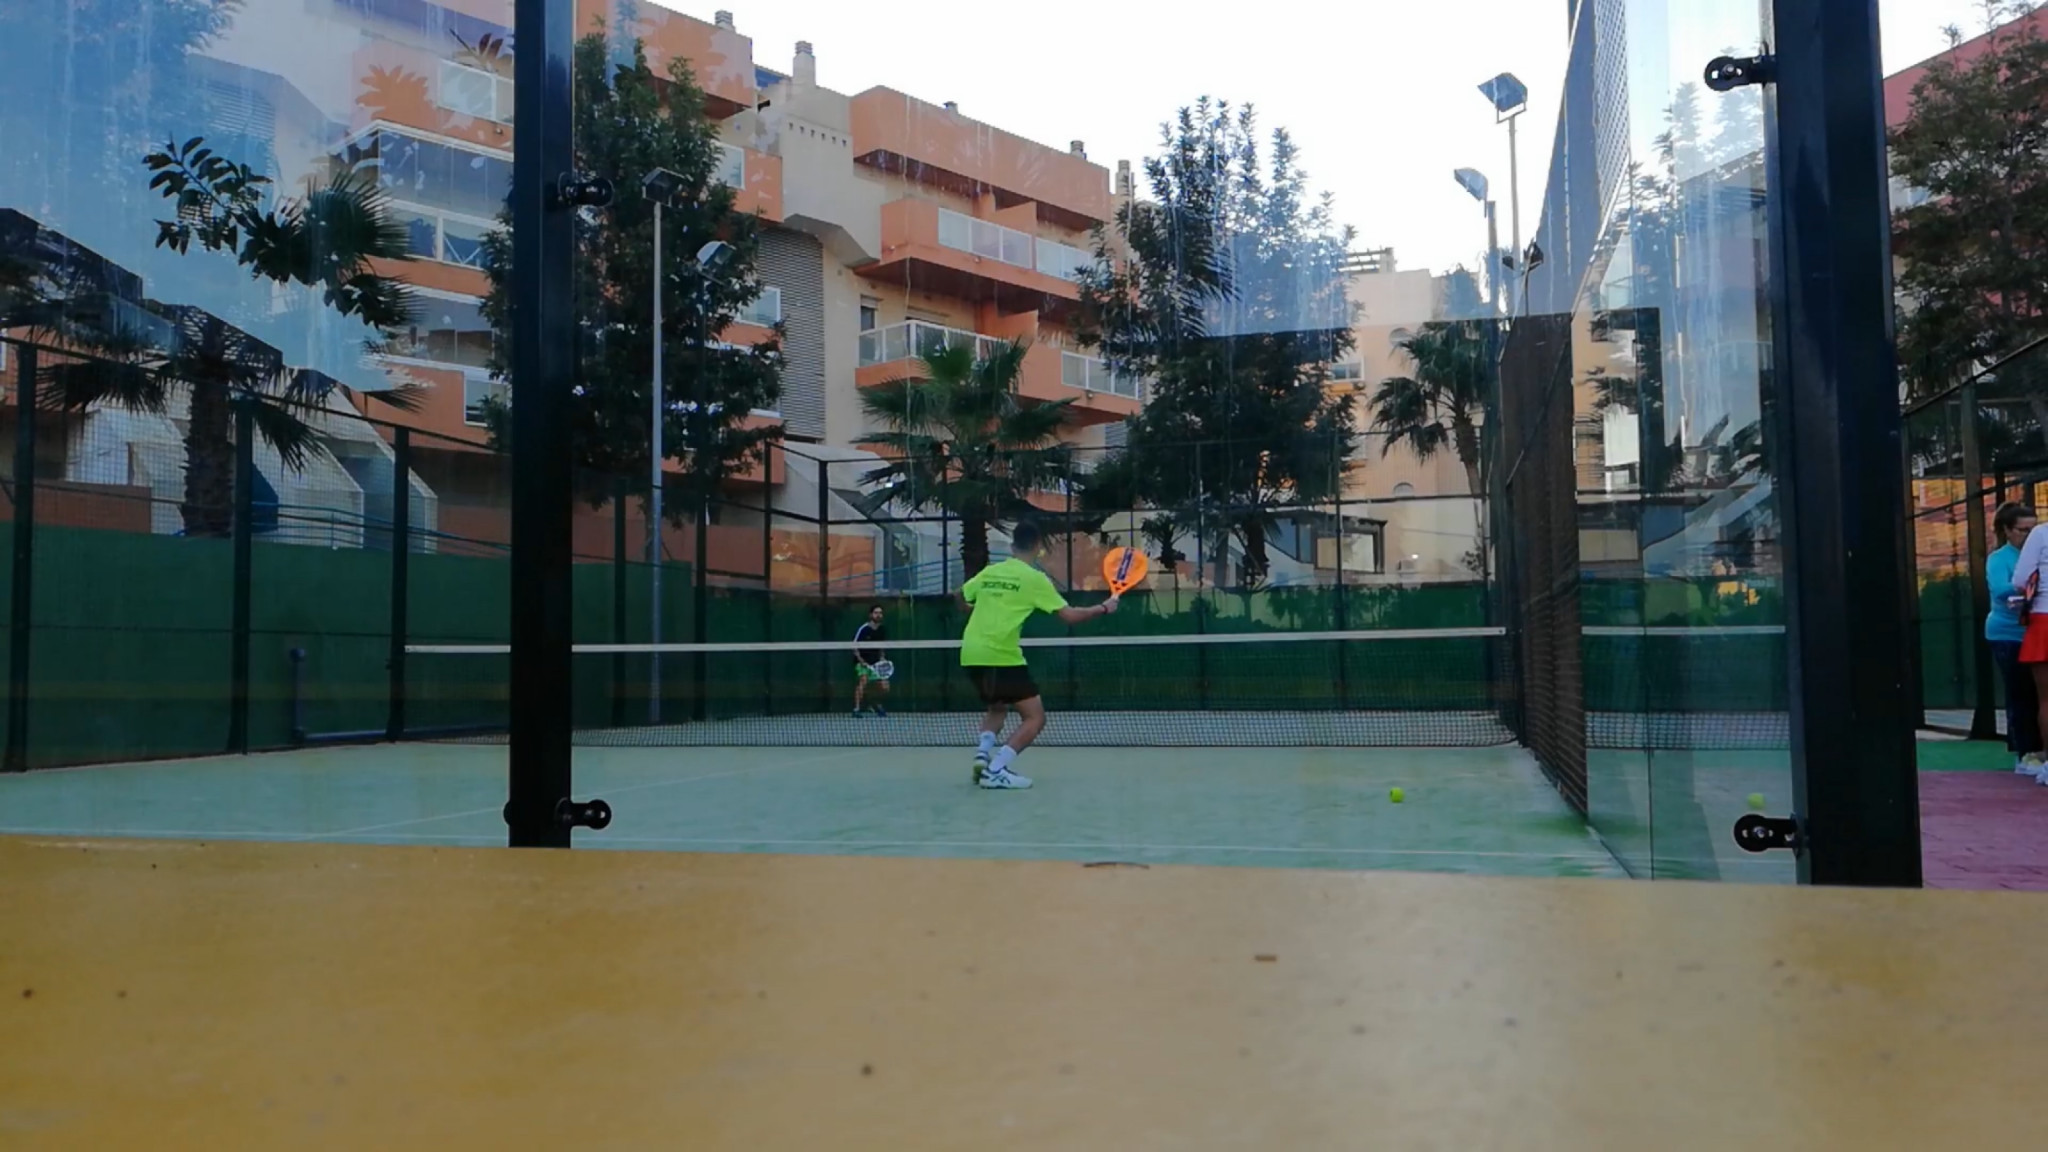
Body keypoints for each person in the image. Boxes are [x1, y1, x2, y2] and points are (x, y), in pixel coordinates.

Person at [959, 521, 1118, 790]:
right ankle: (995, 770)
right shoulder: (1034, 579)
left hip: (970, 653)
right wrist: (1103, 608)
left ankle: (982, 756)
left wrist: (975, 610)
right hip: (1002, 656)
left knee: (997, 707)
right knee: (1035, 718)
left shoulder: (990, 572)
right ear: (1037, 546)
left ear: (1012, 546)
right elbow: (1069, 616)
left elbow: (960, 595)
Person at [1988, 503, 2042, 777]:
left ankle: (2040, 751)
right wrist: (2031, 587)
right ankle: (2025, 753)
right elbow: (2001, 590)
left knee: (2041, 695)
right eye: (2023, 530)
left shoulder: (2041, 553)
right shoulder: (2000, 559)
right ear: (2007, 531)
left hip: (2038, 633)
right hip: (2009, 635)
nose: (2029, 535)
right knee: (2022, 694)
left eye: (2033, 529)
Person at [852, 605, 889, 718]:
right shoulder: (863, 629)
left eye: (880, 613)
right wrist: (861, 661)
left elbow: (882, 647)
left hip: (876, 663)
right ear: (871, 615)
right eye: (876, 613)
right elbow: (854, 646)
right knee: (863, 681)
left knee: (885, 687)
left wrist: (882, 658)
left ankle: (875, 704)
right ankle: (856, 709)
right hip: (862, 662)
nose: (878, 615)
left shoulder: (882, 629)